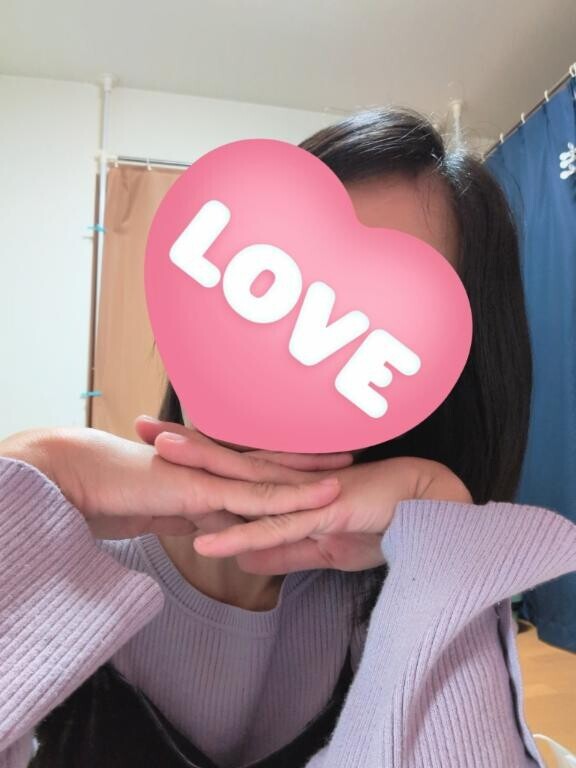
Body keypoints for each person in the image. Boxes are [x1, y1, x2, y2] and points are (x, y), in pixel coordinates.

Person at [1, 107, 575, 768]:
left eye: (371, 322)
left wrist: (443, 543)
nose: (295, 355)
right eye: (281, 289)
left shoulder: (400, 611)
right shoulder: (64, 567)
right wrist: (24, 480)